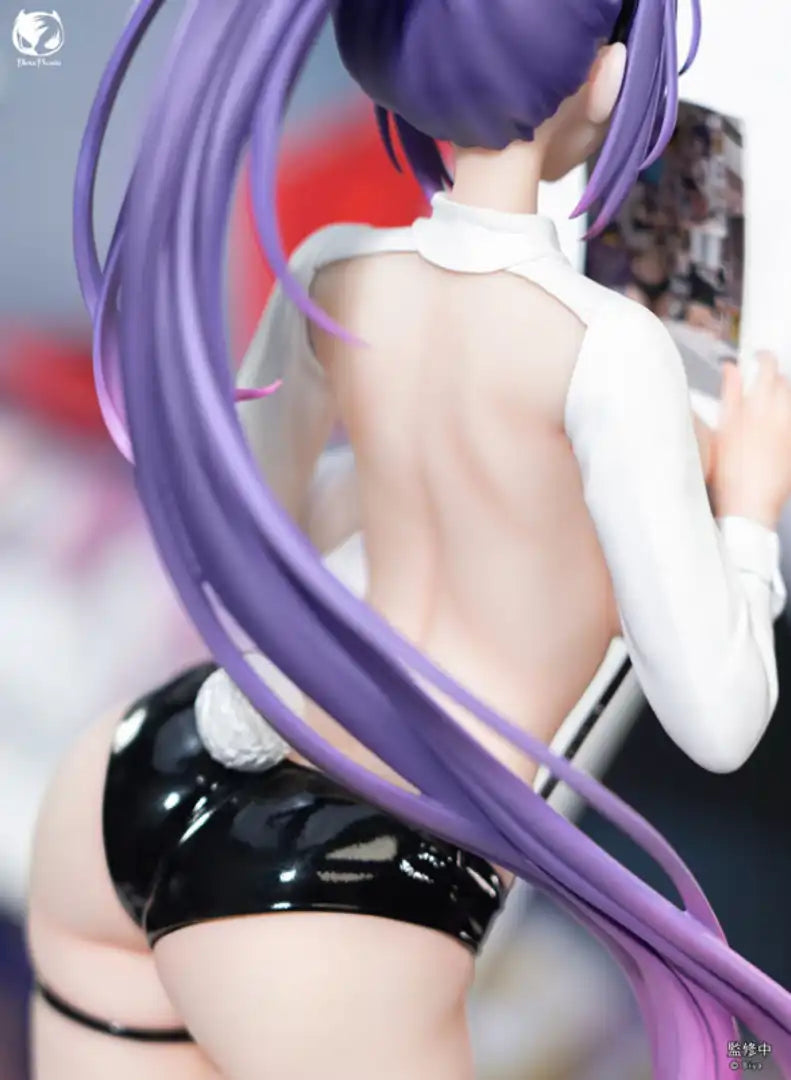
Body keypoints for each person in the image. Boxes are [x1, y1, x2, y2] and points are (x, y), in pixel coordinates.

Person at [26, 1, 791, 1078]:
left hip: (135, 775)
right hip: (348, 886)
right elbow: (716, 719)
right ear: (609, 77)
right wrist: (747, 509)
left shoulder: (332, 270)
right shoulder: (614, 350)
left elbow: (242, 541)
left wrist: (424, 480)